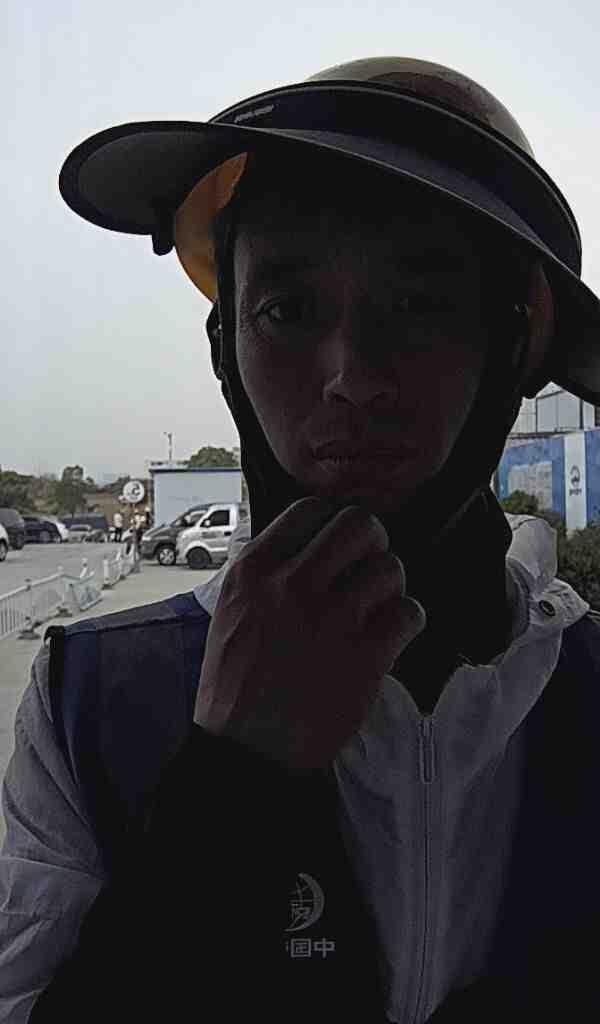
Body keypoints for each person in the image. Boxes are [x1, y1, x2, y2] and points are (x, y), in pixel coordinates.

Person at [2, 57, 600, 1022]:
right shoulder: (91, 701)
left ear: (516, 346)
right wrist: (232, 784)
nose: (351, 376)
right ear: (225, 347)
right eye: (286, 310)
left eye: (418, 305)